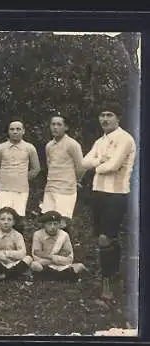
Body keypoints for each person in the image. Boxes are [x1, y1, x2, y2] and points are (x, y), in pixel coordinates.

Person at [82, 110, 136, 300]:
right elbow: (83, 161)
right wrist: (100, 161)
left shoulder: (125, 139)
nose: (104, 119)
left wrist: (98, 166)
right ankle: (114, 276)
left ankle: (107, 282)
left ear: (118, 118)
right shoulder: (100, 141)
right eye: (102, 115)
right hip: (99, 192)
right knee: (105, 239)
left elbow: (112, 166)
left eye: (109, 115)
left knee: (106, 238)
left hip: (117, 193)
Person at [41, 113, 85, 234]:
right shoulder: (49, 145)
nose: (55, 127)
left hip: (66, 189)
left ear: (66, 127)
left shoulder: (72, 144)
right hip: (50, 187)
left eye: (59, 124)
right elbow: (49, 165)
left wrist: (75, 181)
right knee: (49, 221)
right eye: (53, 124)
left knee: (61, 223)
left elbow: (81, 167)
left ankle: (66, 251)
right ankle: (49, 252)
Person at [0, 119, 40, 217]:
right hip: (4, 188)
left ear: (23, 131)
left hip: (21, 189)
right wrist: (7, 176)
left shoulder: (29, 148)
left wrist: (22, 178)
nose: (15, 132)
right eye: (12, 129)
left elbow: (36, 168)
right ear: (8, 131)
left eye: (18, 129)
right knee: (3, 216)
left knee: (18, 217)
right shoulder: (1, 148)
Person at [30, 210, 88, 281]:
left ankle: (50, 276)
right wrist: (56, 258)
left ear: (60, 225)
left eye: (55, 224)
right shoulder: (38, 235)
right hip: (45, 266)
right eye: (49, 224)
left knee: (76, 267)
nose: (52, 227)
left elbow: (69, 258)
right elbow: (36, 256)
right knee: (35, 265)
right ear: (44, 225)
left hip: (61, 266)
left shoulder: (64, 235)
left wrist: (51, 257)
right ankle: (66, 276)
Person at [0, 207, 33, 282]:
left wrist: (6, 253)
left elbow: (22, 253)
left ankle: (5, 275)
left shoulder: (17, 235)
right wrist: (4, 258)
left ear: (14, 222)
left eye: (9, 219)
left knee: (28, 258)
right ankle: (11, 274)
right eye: (2, 219)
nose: (6, 222)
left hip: (12, 263)